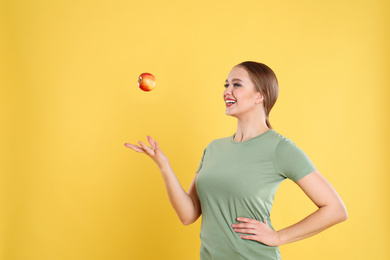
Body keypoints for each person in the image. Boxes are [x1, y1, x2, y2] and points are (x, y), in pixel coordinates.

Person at [124, 61, 348, 260]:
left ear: (260, 96)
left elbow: (335, 209)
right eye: (226, 85)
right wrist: (164, 166)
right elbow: (188, 214)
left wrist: (278, 236)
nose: (227, 91)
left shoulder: (280, 148)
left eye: (236, 85)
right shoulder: (213, 149)